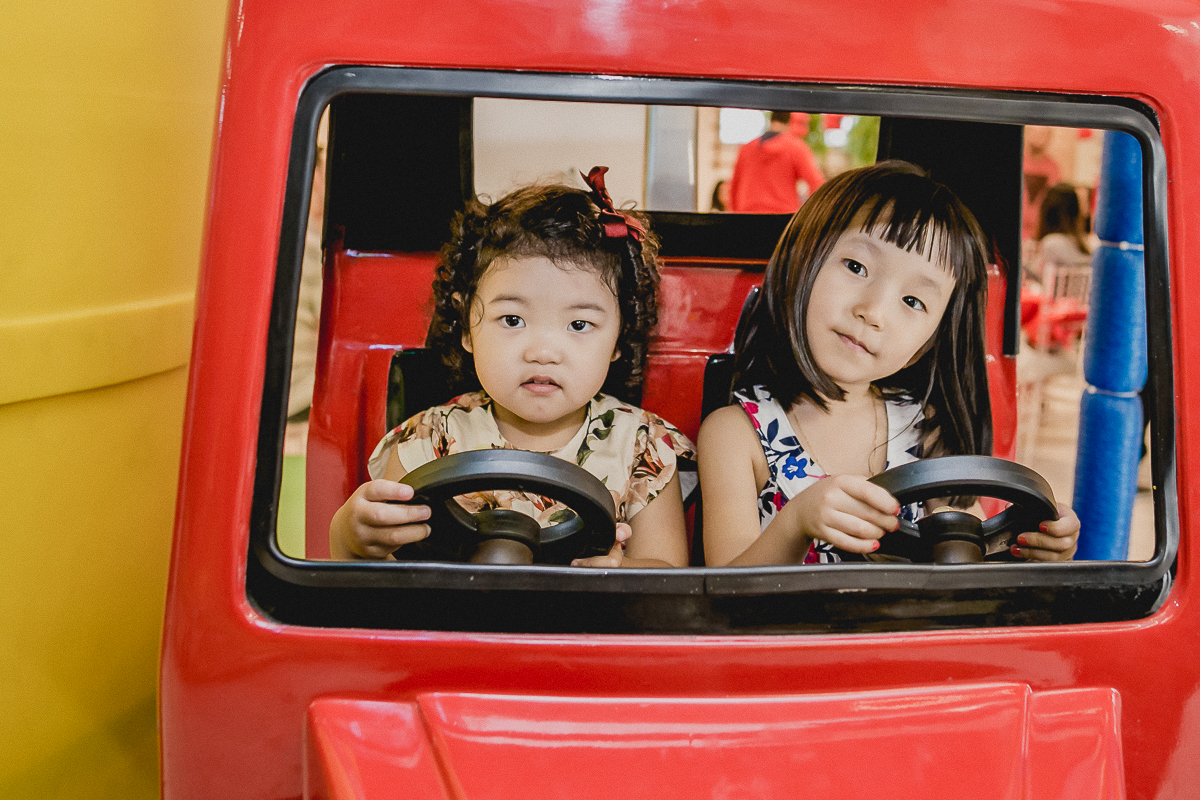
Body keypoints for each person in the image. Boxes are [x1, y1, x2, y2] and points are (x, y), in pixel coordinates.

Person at [698, 161, 1080, 566]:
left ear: (930, 341)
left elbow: (968, 554)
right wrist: (796, 522)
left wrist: (1032, 546)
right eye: (856, 267)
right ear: (802, 260)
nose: (874, 312)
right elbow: (723, 594)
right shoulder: (736, 435)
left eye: (913, 301)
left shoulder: (925, 428)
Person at [329, 167, 693, 568]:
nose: (542, 352)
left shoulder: (642, 446)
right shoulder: (431, 440)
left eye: (578, 325)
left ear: (618, 341)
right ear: (467, 326)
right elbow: (377, 582)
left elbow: (666, 570)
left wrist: (622, 570)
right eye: (513, 320)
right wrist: (349, 537)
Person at [728, 111, 825, 214]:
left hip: (747, 215)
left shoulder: (746, 149)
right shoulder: (795, 147)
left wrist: (736, 215)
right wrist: (808, 216)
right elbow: (816, 184)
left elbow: (734, 187)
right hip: (782, 217)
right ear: (791, 121)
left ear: (771, 119)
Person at [1028, 182, 1091, 286]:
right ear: (1076, 211)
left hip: (1054, 300)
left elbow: (1043, 285)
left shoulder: (1051, 244)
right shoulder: (1089, 243)